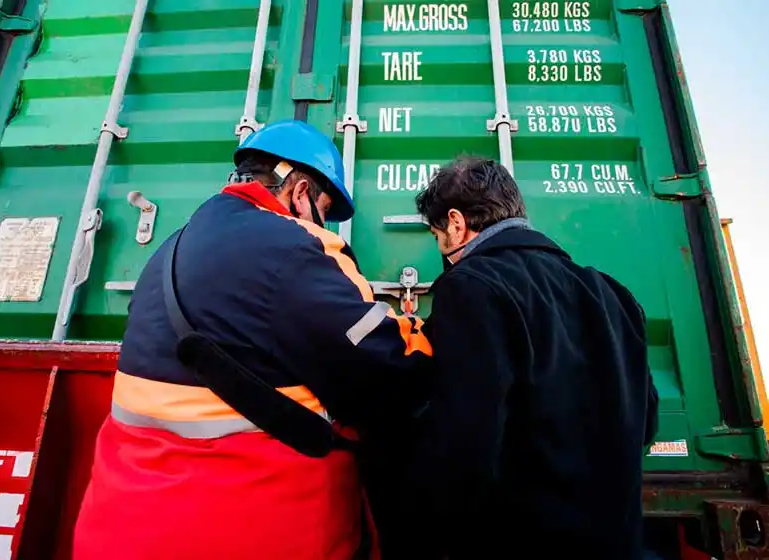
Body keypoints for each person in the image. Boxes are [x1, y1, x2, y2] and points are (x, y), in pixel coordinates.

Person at [72, 119, 433, 560]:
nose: (325, 225)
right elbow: (386, 364)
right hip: (247, 528)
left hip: (117, 529)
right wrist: (421, 331)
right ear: (300, 192)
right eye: (323, 209)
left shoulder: (170, 248)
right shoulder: (295, 247)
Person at [405, 155, 659, 559]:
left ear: (455, 223)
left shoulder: (471, 287)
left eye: (438, 237)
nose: (442, 250)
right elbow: (646, 422)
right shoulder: (612, 293)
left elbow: (467, 443)